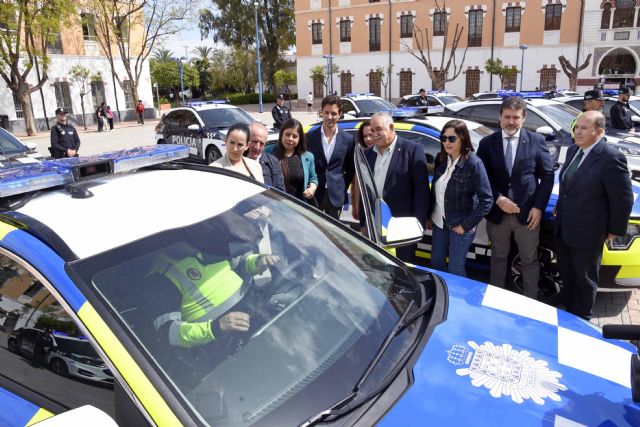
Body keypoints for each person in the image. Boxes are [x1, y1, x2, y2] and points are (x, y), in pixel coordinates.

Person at [554, 111, 633, 319]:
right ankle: (568, 315)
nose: (577, 132)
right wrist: (560, 206)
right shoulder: (572, 151)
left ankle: (582, 319)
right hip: (564, 228)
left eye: (583, 128)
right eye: (576, 127)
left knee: (585, 279)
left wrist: (614, 230)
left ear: (598, 132)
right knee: (568, 276)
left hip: (589, 232)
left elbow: (623, 198)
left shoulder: (610, 157)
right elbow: (567, 183)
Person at [476, 96, 554, 299]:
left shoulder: (536, 141)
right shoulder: (487, 143)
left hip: (528, 215)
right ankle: (497, 298)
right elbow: (481, 178)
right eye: (507, 117)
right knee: (498, 257)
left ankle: (531, 300)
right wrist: (498, 198)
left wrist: (538, 207)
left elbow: (547, 175)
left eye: (516, 117)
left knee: (529, 259)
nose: (511, 122)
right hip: (498, 214)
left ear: (524, 118)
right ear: (500, 117)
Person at [427, 120, 493, 277]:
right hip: (439, 222)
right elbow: (436, 191)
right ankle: (442, 296)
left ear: (463, 139)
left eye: (452, 138)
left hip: (461, 225)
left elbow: (487, 200)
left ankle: (455, 299)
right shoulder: (441, 159)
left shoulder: (474, 164)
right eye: (444, 138)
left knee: (455, 269)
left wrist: (465, 225)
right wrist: (429, 214)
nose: (447, 143)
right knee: (436, 263)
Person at [362, 112, 430, 262]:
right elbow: (364, 191)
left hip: (402, 226)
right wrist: (363, 222)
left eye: (378, 129)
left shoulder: (412, 150)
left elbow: (422, 190)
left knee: (402, 268)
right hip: (374, 225)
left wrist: (418, 223)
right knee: (377, 265)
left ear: (391, 128)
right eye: (372, 131)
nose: (374, 134)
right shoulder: (367, 155)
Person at [306, 94, 356, 220]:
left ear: (339, 114)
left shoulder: (348, 139)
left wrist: (342, 187)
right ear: (321, 113)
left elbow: (351, 168)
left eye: (333, 113)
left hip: (336, 195)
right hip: (314, 194)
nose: (329, 117)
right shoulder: (310, 137)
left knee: (333, 235)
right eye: (326, 112)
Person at [266, 118, 318, 204]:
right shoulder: (268, 151)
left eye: (295, 136)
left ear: (300, 138)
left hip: (298, 207)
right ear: (281, 134)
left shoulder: (308, 157)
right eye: (287, 134)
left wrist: (312, 188)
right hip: (273, 205)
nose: (290, 139)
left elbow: (313, 178)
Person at [246, 122, 285, 191]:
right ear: (247, 139)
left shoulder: (273, 163)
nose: (257, 147)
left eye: (261, 143)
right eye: (255, 141)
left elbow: (280, 192)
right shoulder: (236, 159)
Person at [351, 120, 373, 221]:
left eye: (370, 135)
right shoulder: (360, 155)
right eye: (365, 136)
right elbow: (355, 183)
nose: (368, 139)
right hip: (365, 208)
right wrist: (355, 206)